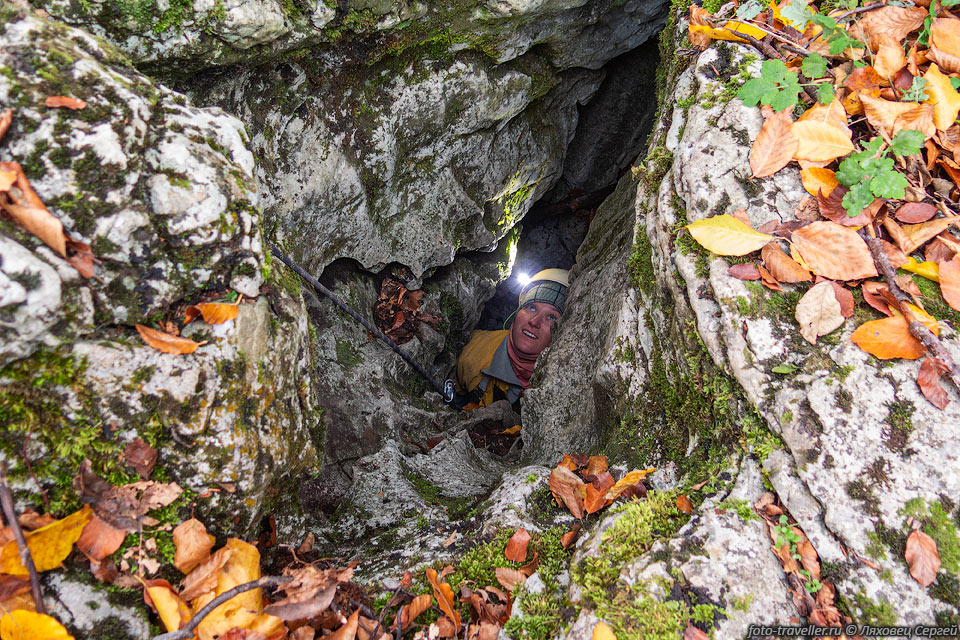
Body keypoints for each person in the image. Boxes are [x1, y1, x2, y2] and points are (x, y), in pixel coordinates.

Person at [454, 269, 569, 410]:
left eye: (551, 317)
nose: (534, 322)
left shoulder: (564, 384)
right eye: (531, 307)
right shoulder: (473, 352)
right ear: (518, 311)